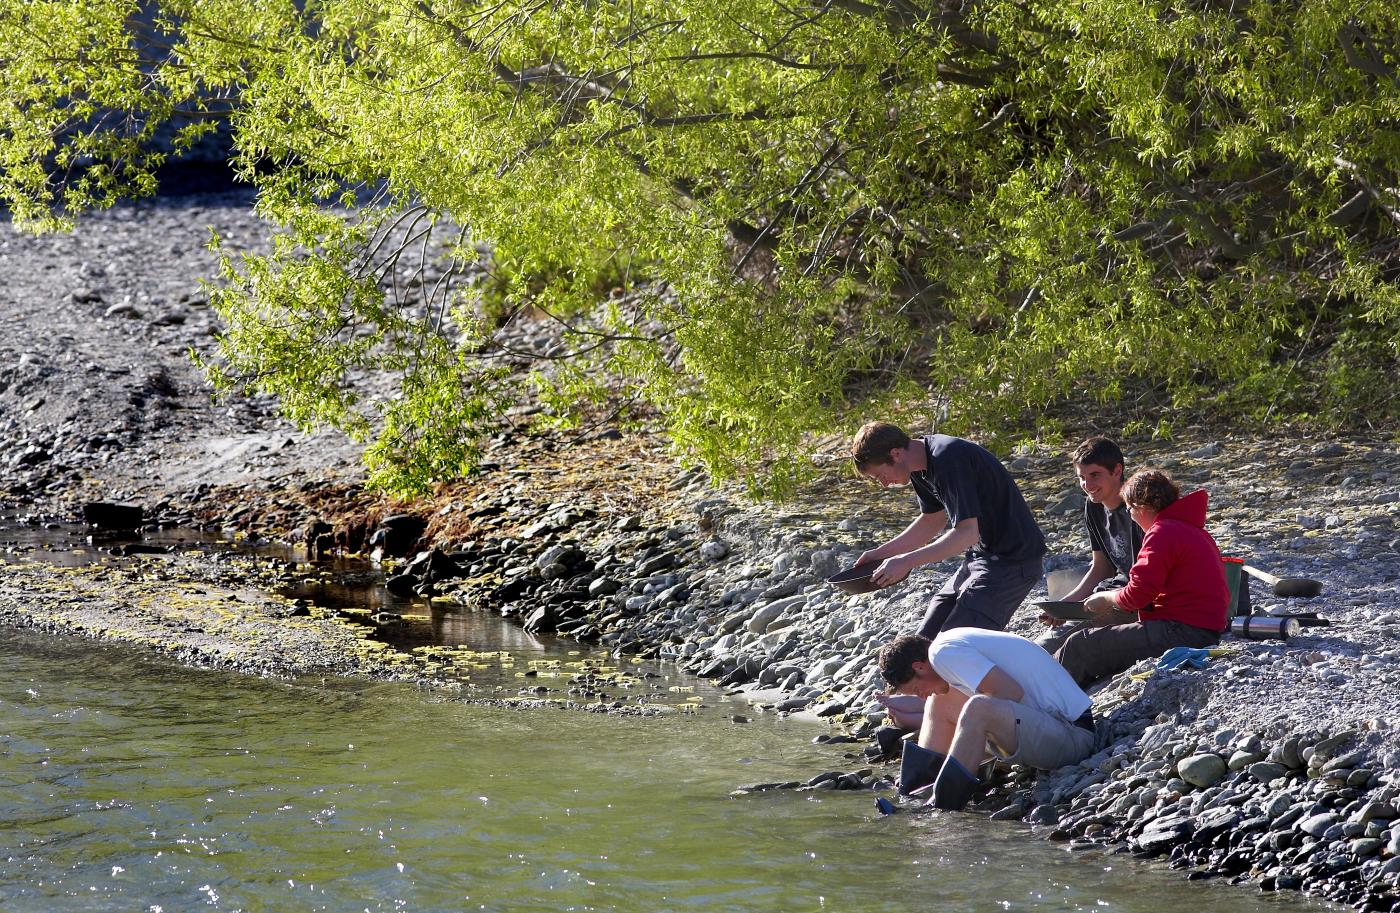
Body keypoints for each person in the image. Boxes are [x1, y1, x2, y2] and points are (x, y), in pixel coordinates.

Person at [851, 422, 1046, 639]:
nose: (884, 485)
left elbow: (967, 534)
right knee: (923, 642)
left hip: (1014, 562)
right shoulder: (917, 465)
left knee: (953, 645)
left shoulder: (948, 459)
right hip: (980, 558)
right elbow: (931, 521)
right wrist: (880, 554)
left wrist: (906, 561)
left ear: (895, 453)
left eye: (880, 476)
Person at [876, 630, 1095, 811]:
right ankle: (913, 793)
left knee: (977, 708)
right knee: (940, 701)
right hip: (1049, 727)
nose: (921, 696)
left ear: (919, 667)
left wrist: (968, 742)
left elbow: (1009, 692)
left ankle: (941, 805)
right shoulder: (947, 645)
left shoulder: (943, 653)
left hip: (1072, 735)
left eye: (917, 690)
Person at [1052, 469, 1229, 686]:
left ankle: (1049, 702)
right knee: (1095, 637)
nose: (1131, 517)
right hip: (1202, 626)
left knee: (1079, 645)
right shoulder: (1189, 528)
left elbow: (1138, 596)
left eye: (1129, 510)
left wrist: (1107, 597)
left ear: (1141, 507)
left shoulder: (1162, 532)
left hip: (1183, 631)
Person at [1036, 436, 1144, 653]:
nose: (1087, 485)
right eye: (1082, 478)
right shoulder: (1093, 507)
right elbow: (1101, 567)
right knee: (1048, 641)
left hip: (1136, 599)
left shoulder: (1139, 507)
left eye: (1095, 475)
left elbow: (1148, 583)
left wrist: (1102, 599)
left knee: (1046, 648)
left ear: (1116, 471)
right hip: (1112, 590)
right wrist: (1065, 605)